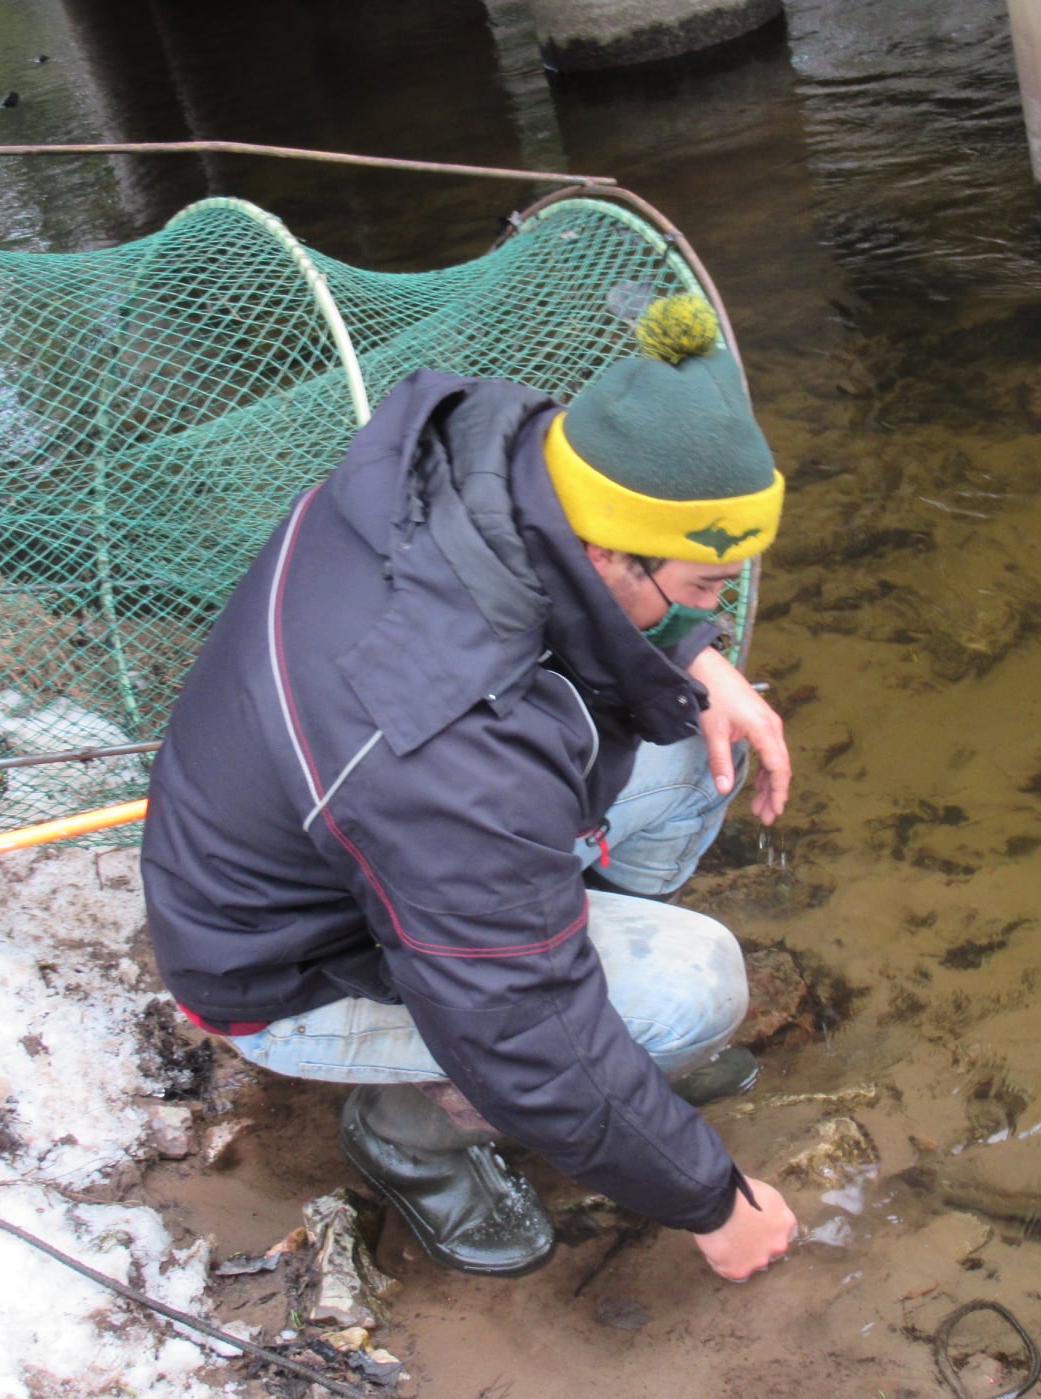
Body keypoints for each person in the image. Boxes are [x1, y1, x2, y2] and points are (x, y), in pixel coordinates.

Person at [141, 294, 797, 1281]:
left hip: (395, 841)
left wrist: (694, 654)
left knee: (702, 730)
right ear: (608, 551)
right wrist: (707, 1199)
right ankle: (410, 1130)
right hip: (284, 963)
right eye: (704, 588)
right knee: (693, 988)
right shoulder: (438, 744)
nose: (716, 609)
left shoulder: (494, 446)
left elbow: (610, 617)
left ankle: (582, 992)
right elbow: (521, 1024)